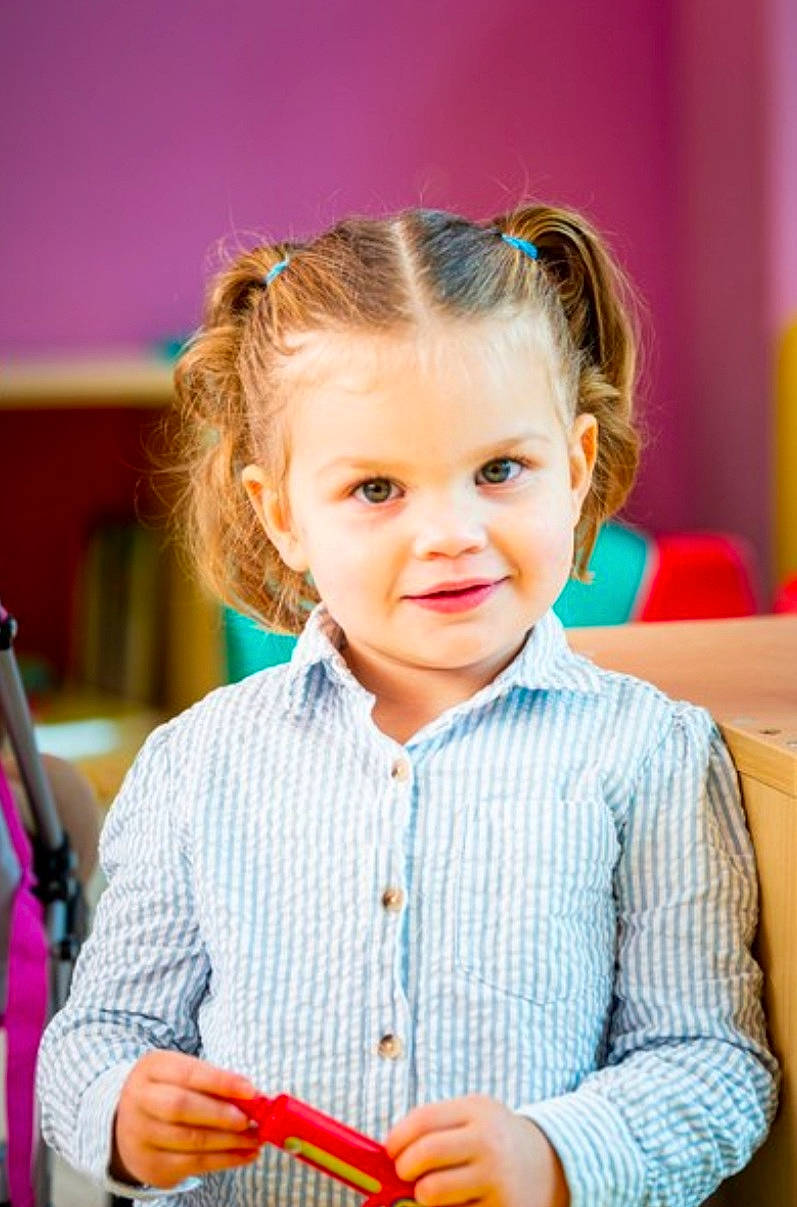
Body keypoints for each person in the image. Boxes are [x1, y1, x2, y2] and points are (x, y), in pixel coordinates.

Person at [36, 204, 778, 1207]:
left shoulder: (649, 753)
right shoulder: (197, 760)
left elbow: (708, 1064)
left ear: (573, 468)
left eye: (499, 471)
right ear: (281, 513)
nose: (449, 533)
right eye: (377, 488)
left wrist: (553, 1156)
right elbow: (95, 1037)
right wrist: (123, 1109)